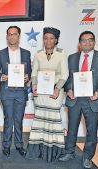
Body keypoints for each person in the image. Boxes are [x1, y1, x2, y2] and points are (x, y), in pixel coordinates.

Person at [59, 31, 98, 168]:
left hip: (93, 100)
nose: (87, 42)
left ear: (94, 42)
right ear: (79, 43)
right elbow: (66, 78)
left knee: (91, 130)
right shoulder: (71, 58)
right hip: (75, 99)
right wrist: (69, 89)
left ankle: (88, 156)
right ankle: (69, 152)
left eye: (90, 40)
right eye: (84, 40)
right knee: (71, 128)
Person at [25, 27, 69, 162]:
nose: (48, 40)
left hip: (55, 92)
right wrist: (33, 84)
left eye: (51, 38)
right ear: (43, 39)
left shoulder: (61, 53)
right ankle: (37, 151)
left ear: (56, 40)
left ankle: (53, 152)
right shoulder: (38, 53)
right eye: (45, 38)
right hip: (41, 93)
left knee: (53, 119)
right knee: (40, 119)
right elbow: (34, 72)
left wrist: (58, 88)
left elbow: (65, 73)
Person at [0, 26, 31, 157]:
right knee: (8, 119)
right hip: (7, 91)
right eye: (10, 34)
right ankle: (6, 145)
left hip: (21, 91)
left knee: (19, 120)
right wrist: (1, 77)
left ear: (19, 36)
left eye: (14, 34)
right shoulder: (0, 53)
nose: (12, 37)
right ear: (6, 37)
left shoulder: (26, 53)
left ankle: (19, 145)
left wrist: (27, 76)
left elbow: (29, 71)